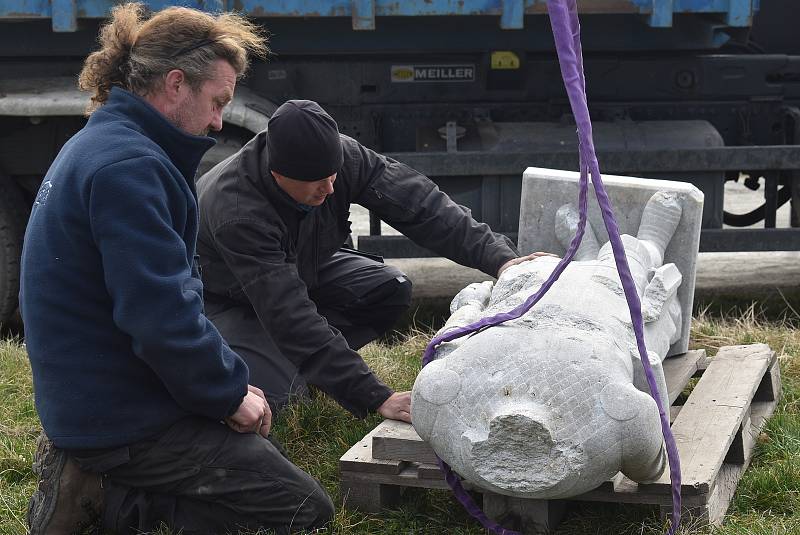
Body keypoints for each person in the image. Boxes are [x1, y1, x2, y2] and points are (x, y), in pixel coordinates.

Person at [20, 4, 334, 534]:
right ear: (174, 84)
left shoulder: (109, 144)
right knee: (301, 508)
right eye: (217, 103)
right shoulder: (131, 169)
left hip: (99, 397)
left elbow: (170, 302)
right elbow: (160, 318)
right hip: (118, 417)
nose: (218, 121)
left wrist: (228, 382)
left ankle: (101, 477)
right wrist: (229, 394)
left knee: (260, 452)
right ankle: (103, 494)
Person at [196, 99, 551, 422]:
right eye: (317, 182)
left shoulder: (338, 159)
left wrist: (501, 258)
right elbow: (287, 312)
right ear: (278, 174)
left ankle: (310, 361)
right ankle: (288, 360)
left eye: (333, 176)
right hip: (228, 298)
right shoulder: (239, 211)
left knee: (389, 288)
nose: (331, 189)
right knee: (278, 397)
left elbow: (420, 204)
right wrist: (375, 397)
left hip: (302, 270)